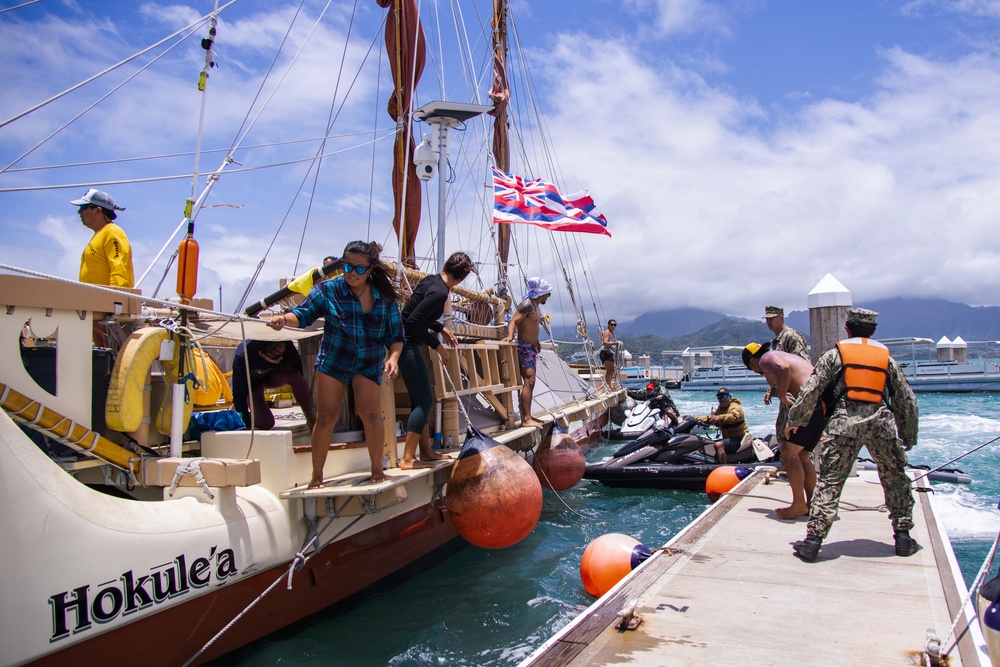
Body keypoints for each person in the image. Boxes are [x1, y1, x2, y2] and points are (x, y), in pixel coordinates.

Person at [785, 308, 919, 562]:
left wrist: (796, 420)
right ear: (873, 331)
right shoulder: (887, 360)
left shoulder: (835, 356)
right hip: (881, 425)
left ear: (847, 329)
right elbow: (906, 400)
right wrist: (908, 434)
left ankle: (813, 541)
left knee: (830, 482)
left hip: (844, 425)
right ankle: (902, 536)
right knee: (895, 479)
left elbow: (811, 390)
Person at [268, 240, 404, 488]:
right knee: (326, 416)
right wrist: (281, 318)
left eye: (360, 269)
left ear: (371, 270)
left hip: (368, 360)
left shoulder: (384, 298)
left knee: (371, 413)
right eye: (347, 266)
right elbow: (302, 314)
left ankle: (377, 469)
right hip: (334, 359)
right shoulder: (327, 290)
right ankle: (317, 475)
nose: (352, 273)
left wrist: (393, 358)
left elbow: (396, 336)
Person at [399, 251, 476, 469]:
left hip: (405, 340)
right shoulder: (441, 293)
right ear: (462, 278)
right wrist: (438, 345)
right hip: (408, 343)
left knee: (419, 400)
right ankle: (407, 459)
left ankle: (425, 451)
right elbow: (413, 322)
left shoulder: (431, 280)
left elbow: (417, 313)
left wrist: (440, 327)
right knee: (424, 401)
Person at [743, 341, 816, 519]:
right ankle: (812, 504)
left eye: (749, 366)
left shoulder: (767, 358)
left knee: (789, 453)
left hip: (809, 405)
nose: (754, 371)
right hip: (820, 405)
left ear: (753, 360)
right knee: (802, 455)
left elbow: (782, 368)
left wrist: (782, 395)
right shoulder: (783, 354)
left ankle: (799, 504)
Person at [231, 340, 316, 431]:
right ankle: (234, 414)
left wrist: (308, 411)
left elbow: (299, 374)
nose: (281, 358)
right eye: (277, 356)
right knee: (266, 423)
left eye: (283, 354)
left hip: (271, 376)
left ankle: (310, 417)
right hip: (253, 384)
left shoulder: (285, 344)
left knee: (295, 375)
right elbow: (238, 394)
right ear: (261, 354)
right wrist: (245, 424)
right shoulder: (243, 357)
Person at [501, 277, 552, 429]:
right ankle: (527, 419)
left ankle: (527, 416)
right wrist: (510, 337)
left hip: (530, 347)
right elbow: (514, 321)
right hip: (523, 347)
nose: (547, 297)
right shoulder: (527, 305)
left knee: (530, 381)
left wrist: (536, 342)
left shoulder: (535, 306)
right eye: (547, 294)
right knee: (529, 380)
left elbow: (531, 326)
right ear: (541, 294)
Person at [72, 188, 134, 288]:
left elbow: (120, 271)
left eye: (83, 207)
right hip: (93, 300)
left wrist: (114, 300)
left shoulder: (112, 232)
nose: (79, 212)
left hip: (106, 300)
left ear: (97, 210)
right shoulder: (101, 234)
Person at [684, 388, 748, 464]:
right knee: (708, 443)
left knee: (718, 445)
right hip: (729, 438)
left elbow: (733, 417)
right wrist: (692, 417)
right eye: (719, 397)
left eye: (724, 396)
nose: (722, 399)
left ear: (729, 397)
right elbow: (709, 418)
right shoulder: (721, 408)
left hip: (739, 438)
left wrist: (719, 417)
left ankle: (723, 467)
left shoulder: (735, 407)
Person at [762, 306, 808, 406]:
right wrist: (771, 390)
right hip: (786, 394)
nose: (769, 322)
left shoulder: (791, 336)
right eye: (767, 319)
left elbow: (801, 365)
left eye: (771, 318)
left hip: (796, 394)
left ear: (781, 317)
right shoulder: (778, 340)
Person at [599, 319, 620, 388]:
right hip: (605, 353)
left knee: (611, 370)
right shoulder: (607, 332)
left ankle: (608, 385)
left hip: (610, 354)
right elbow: (605, 342)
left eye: (615, 325)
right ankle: (608, 386)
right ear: (608, 325)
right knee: (609, 371)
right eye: (612, 325)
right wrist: (615, 343)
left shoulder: (612, 333)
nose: (613, 326)